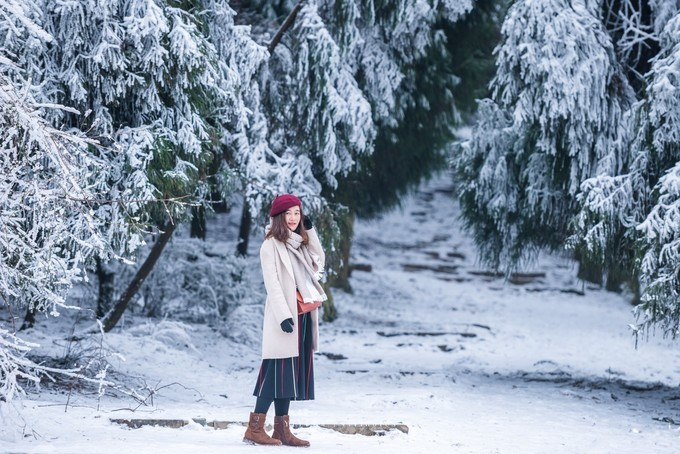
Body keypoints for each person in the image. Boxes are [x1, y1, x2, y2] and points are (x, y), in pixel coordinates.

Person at [243, 194, 326, 447]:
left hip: (302, 315)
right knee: (274, 372)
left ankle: (282, 430)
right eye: (288, 214)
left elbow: (319, 263)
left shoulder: (299, 243)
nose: (293, 219)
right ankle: (254, 429)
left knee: (288, 376)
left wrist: (310, 232)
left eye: (297, 214)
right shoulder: (270, 245)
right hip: (285, 316)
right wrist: (283, 316)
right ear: (278, 216)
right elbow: (273, 284)